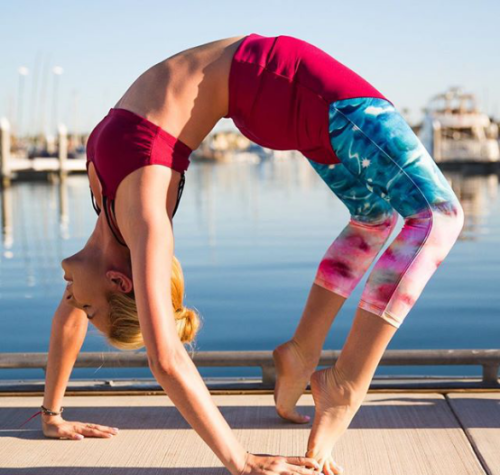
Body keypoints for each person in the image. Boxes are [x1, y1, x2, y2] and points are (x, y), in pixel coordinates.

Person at [39, 33, 464, 475]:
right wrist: (239, 460)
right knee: (436, 216)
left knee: (379, 218)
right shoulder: (141, 221)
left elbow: (112, 334)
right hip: (279, 84)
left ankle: (309, 355)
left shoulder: (117, 215)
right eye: (87, 307)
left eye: (87, 310)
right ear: (117, 281)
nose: (71, 298)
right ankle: (338, 379)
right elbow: (164, 358)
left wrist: (52, 415)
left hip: (270, 87)